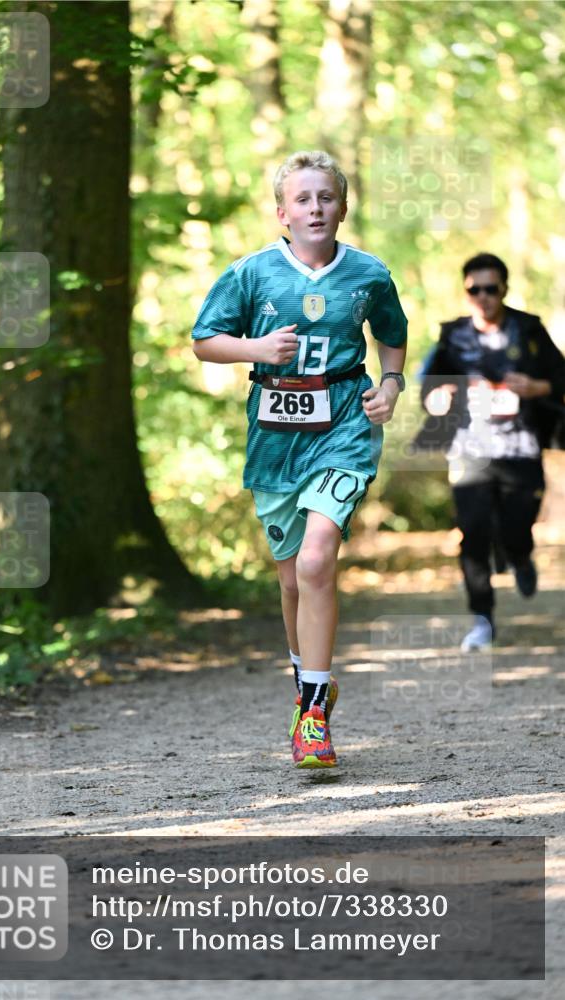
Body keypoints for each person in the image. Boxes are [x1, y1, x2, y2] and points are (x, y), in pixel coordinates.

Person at [192, 150, 408, 768]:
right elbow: (205, 341)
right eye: (304, 199)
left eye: (327, 198)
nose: (316, 208)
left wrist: (390, 386)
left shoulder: (368, 274)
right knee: (291, 578)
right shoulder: (251, 273)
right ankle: (307, 683)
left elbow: (392, 334)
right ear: (282, 212)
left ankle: (313, 715)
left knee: (316, 563)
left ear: (343, 207)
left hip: (344, 423)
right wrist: (257, 347)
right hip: (275, 433)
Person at [414, 253, 564, 651]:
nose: (483, 296)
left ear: (504, 290)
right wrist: (439, 398)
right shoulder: (452, 336)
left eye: (490, 289)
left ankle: (518, 553)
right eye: (474, 289)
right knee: (473, 532)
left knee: (517, 525)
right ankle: (482, 619)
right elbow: (426, 388)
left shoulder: (528, 330)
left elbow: (560, 377)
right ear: (465, 293)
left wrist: (535, 387)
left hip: (521, 448)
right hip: (470, 450)